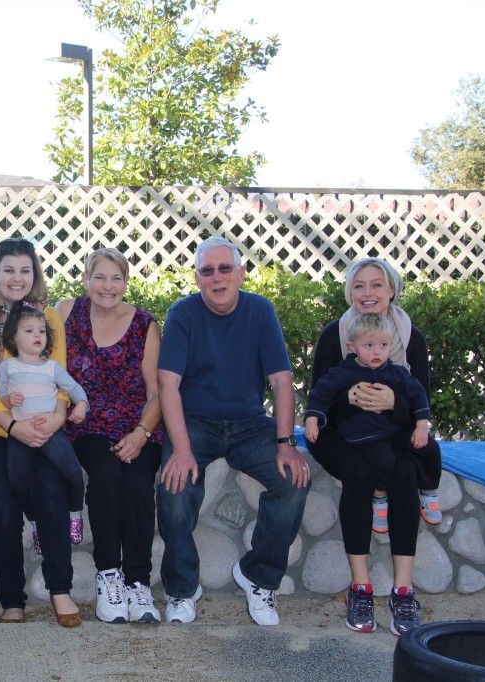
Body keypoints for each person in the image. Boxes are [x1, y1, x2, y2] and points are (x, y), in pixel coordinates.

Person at [157, 236, 310, 627]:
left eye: (225, 268)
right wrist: (181, 449)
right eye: (207, 271)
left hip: (248, 423)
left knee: (293, 479)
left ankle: (258, 576)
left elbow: (281, 380)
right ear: (197, 278)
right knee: (174, 488)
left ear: (241, 274)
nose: (217, 277)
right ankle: (181, 588)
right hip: (195, 422)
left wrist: (286, 444)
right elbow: (168, 385)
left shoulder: (260, 311)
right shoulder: (182, 314)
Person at [307, 257, 442, 636]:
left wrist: (392, 404)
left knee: (404, 471)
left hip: (391, 430)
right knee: (360, 474)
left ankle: (403, 590)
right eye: (359, 285)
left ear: (392, 290)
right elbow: (318, 399)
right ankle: (361, 588)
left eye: (376, 285)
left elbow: (421, 402)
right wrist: (349, 398)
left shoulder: (412, 339)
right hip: (339, 434)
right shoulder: (336, 335)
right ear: (349, 292)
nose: (368, 293)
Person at [0, 237, 81, 628]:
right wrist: (12, 425)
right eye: (8, 270)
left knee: (51, 493)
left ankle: (60, 590)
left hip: (41, 424)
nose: (17, 278)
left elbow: (60, 376)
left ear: (35, 274)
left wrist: (59, 416)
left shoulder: (49, 317)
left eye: (25, 270)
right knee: (4, 513)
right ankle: (12, 599)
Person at [55, 247, 164, 625]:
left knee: (137, 482)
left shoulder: (145, 325)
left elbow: (156, 391)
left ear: (126, 282)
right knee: (105, 473)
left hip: (138, 423)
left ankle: (138, 582)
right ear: (85, 279)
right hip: (87, 422)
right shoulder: (66, 312)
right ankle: (108, 576)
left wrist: (141, 433)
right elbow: (44, 365)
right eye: (99, 277)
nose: (107, 286)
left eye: (116, 278)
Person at [0, 301, 89, 545]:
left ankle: (75, 512)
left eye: (41, 331)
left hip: (51, 432)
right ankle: (35, 522)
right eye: (29, 330)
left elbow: (73, 388)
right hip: (21, 433)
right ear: (13, 337)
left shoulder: (51, 367)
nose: (37, 335)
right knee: (17, 480)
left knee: (72, 471)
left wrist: (81, 404)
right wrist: (9, 400)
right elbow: (0, 397)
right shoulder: (7, 367)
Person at [304, 313, 431, 490]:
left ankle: (429, 491)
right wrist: (312, 421)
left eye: (383, 345)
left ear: (390, 344)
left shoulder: (396, 373)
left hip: (391, 431)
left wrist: (422, 426)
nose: (377, 351)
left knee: (429, 452)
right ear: (352, 347)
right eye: (369, 345)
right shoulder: (343, 372)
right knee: (385, 461)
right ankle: (379, 494)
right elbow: (320, 394)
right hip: (361, 434)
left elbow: (419, 395)